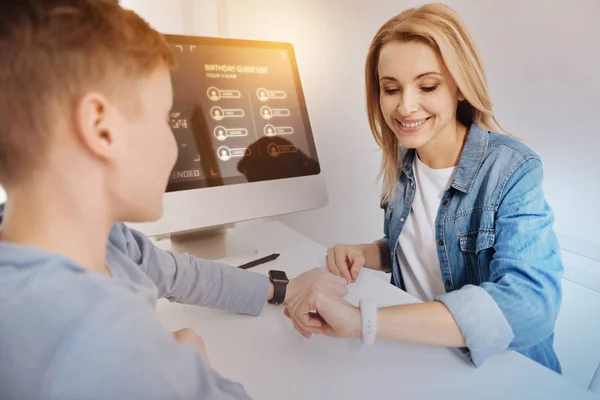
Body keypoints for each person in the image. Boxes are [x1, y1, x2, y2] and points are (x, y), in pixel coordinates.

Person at [0, 1, 347, 399]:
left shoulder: (109, 243)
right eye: (166, 118)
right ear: (102, 129)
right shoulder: (99, 340)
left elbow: (179, 274)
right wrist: (186, 366)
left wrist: (282, 289)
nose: (174, 146)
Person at [287, 3, 564, 373]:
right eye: (391, 89)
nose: (405, 106)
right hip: (423, 360)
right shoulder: (405, 164)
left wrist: (362, 321)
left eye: (427, 85)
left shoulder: (512, 168)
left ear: (460, 87)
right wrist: (367, 253)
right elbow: (427, 247)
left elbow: (532, 306)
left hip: (501, 372)